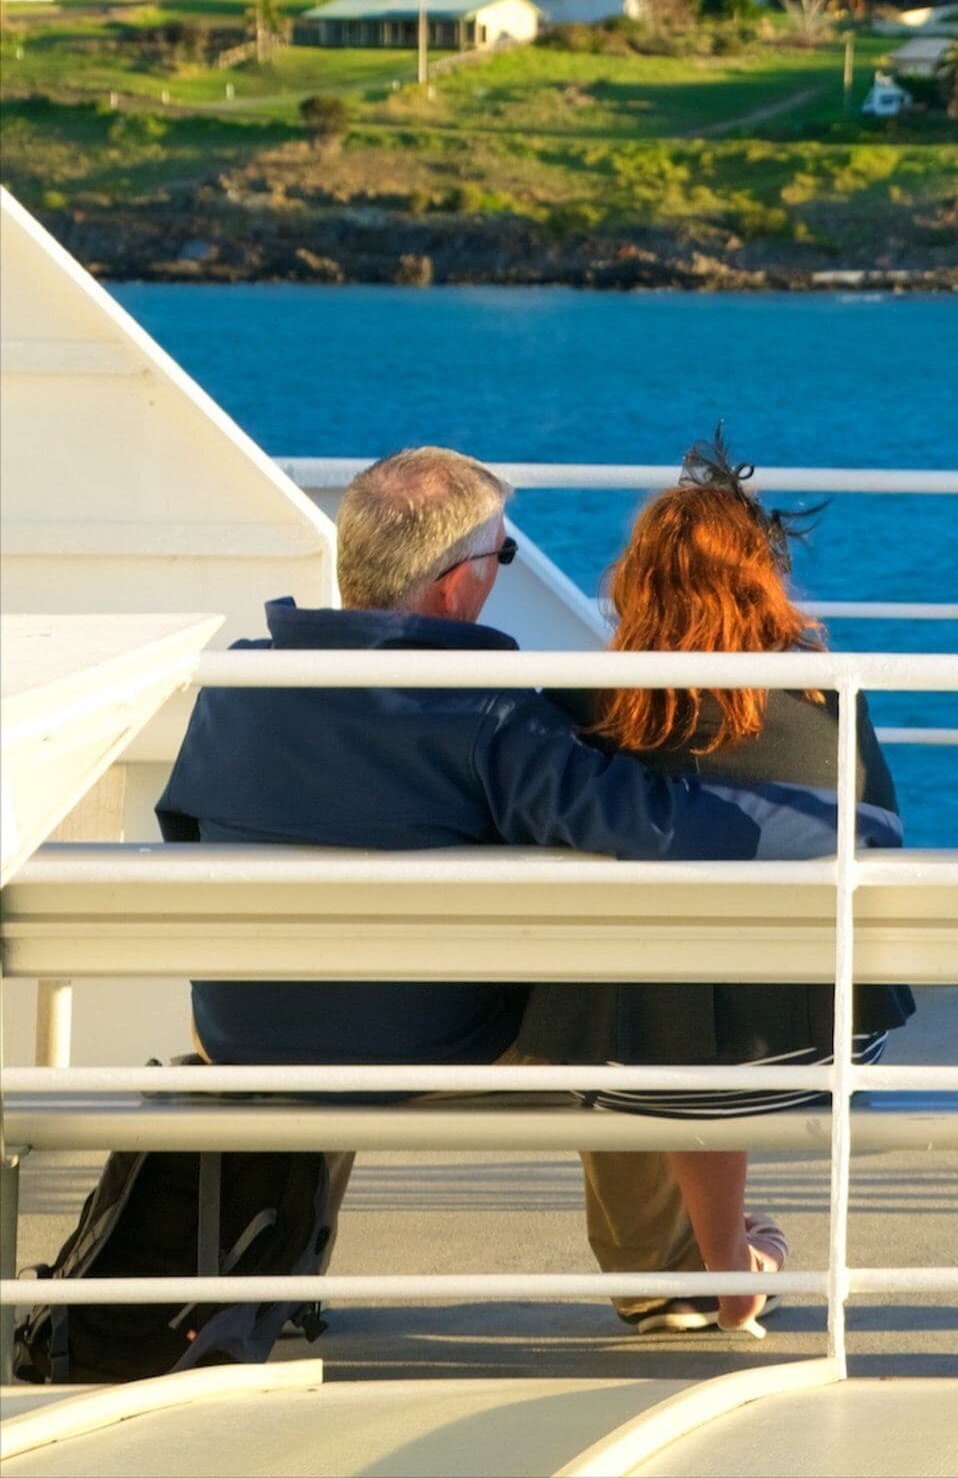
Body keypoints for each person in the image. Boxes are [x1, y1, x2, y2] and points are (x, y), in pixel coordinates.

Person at [156, 444, 891, 1337]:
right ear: (455, 584)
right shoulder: (489, 714)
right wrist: (842, 822)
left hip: (247, 1027)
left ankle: (270, 1263)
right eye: (500, 559)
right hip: (424, 1044)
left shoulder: (238, 682)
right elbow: (661, 825)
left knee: (319, 988)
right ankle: (665, 1274)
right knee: (614, 994)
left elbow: (182, 824)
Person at [517, 438, 913, 1334]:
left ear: (636, 582)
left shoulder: (584, 709)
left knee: (648, 1003)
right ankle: (731, 1266)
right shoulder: (827, 703)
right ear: (761, 587)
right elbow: (882, 849)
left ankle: (708, 1268)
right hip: (819, 1055)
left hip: (631, 1076)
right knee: (712, 998)